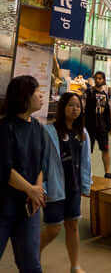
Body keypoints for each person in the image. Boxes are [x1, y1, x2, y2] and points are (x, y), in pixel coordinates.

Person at [0, 75, 50, 273]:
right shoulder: (5, 128)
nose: (41, 95)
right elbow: (5, 169)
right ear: (24, 97)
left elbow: (40, 163)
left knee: (31, 264)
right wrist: (31, 190)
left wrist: (36, 191)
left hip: (28, 209)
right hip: (4, 206)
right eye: (37, 91)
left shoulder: (37, 127)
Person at [40, 92, 91, 273]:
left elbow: (86, 162)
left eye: (78, 106)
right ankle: (30, 256)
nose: (75, 109)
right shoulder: (48, 132)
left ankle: (75, 265)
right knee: (53, 228)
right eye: (70, 105)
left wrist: (86, 185)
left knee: (73, 226)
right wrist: (43, 187)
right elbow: (41, 162)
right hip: (55, 187)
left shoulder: (82, 133)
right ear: (62, 108)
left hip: (74, 188)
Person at [84, 71, 111, 180]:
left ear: (104, 80)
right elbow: (83, 108)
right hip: (89, 127)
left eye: (100, 78)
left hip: (102, 127)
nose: (98, 80)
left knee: (105, 149)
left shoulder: (107, 94)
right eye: (96, 78)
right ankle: (85, 173)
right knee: (87, 150)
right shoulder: (88, 92)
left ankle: (107, 173)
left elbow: (110, 109)